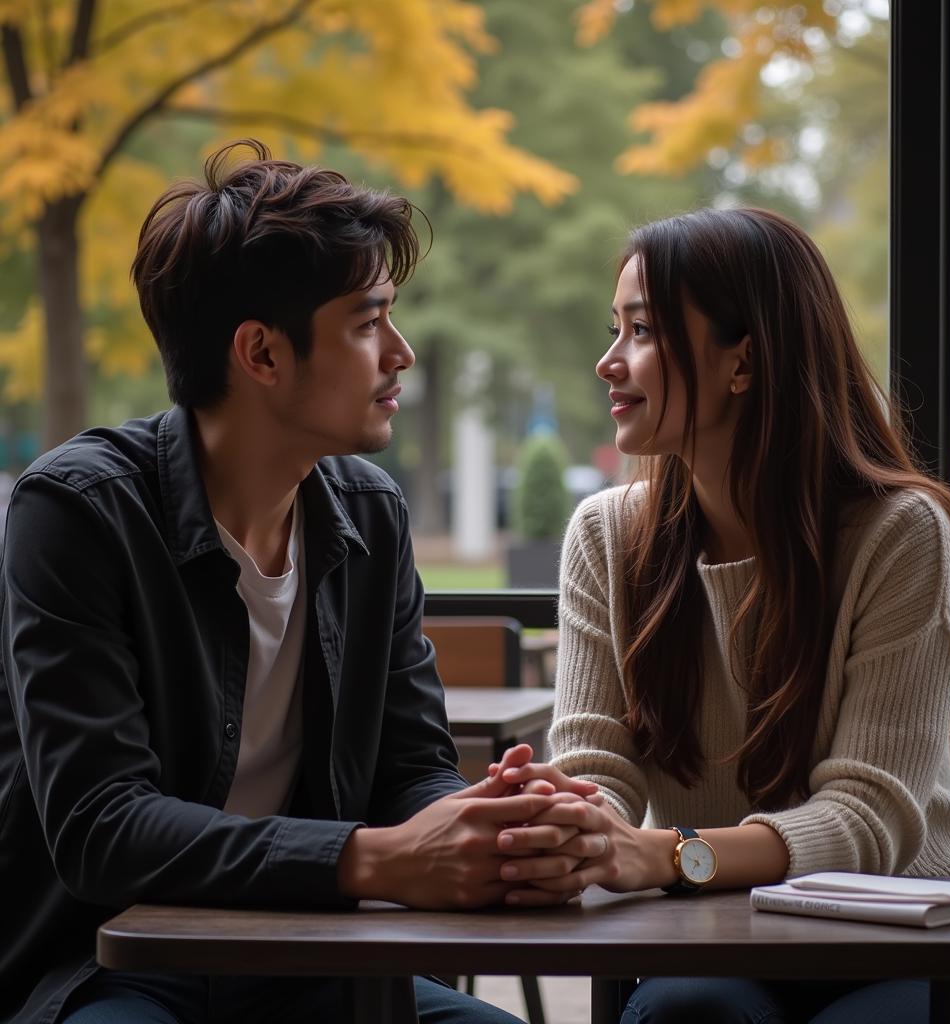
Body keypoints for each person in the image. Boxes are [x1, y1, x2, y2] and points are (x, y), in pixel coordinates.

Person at [0, 140, 602, 1024]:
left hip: (315, 959)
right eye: (367, 324)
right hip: (103, 967)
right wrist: (371, 858)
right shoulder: (78, 512)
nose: (401, 354)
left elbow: (412, 769)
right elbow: (103, 827)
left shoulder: (370, 514)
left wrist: (489, 823)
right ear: (262, 354)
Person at [486, 208, 950, 1022]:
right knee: (688, 1016)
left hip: (914, 938)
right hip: (714, 937)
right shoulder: (606, 535)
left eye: (641, 330)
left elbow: (868, 817)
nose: (608, 361)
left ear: (742, 361)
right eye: (615, 328)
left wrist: (669, 854)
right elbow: (600, 769)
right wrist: (566, 821)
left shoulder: (898, 533)